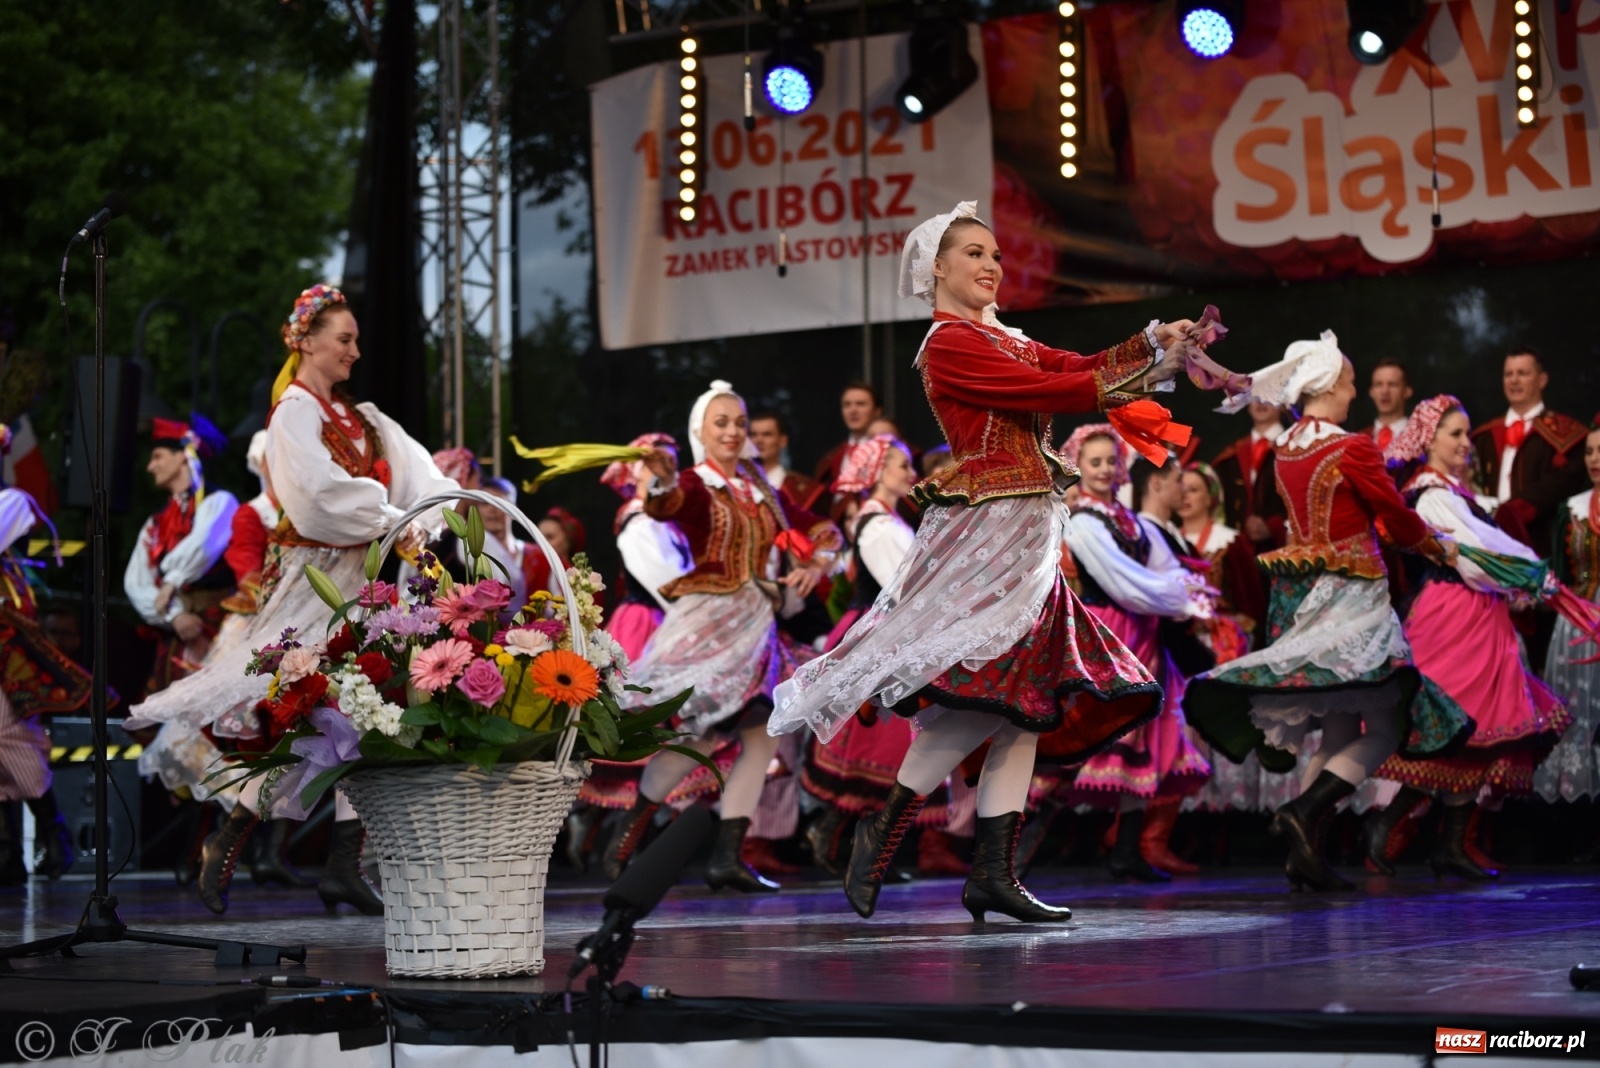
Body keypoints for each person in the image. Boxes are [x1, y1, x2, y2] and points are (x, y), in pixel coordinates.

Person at [769, 200, 1208, 923]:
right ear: (937, 268)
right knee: (989, 691)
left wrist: (1154, 342)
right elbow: (1054, 389)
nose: (991, 265)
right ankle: (883, 831)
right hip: (990, 534)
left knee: (1023, 707)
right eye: (974, 253)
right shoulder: (947, 344)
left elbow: (1076, 366)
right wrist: (1142, 359)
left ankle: (992, 873)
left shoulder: (1006, 337)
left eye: (996, 255)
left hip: (1032, 532)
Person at [124, 284, 461, 915]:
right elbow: (316, 496)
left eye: (356, 339)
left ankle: (332, 858)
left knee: (358, 723)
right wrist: (392, 518)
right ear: (305, 341)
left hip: (367, 588)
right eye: (344, 338)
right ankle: (243, 840)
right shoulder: (293, 414)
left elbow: (421, 473)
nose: (355, 351)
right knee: (326, 718)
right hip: (316, 586)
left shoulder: (364, 419)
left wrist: (428, 514)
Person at [1184, 333, 1472, 893]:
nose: (1354, 392)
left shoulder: (1286, 445)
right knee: (1386, 726)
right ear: (1328, 386)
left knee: (1341, 724)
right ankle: (1304, 812)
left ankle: (1304, 852)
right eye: (1350, 383)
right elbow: (1394, 514)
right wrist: (1440, 546)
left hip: (1304, 595)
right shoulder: (1351, 446)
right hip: (1353, 593)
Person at [597, 380, 843, 893]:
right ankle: (629, 831)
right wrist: (661, 485)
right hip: (712, 621)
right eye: (721, 423)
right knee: (698, 734)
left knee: (761, 734)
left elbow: (816, 527)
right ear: (700, 432)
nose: (732, 432)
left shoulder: (758, 485)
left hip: (757, 624)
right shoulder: (693, 481)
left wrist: (816, 563)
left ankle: (727, 855)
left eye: (738, 423)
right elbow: (669, 508)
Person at [1361, 395, 1569, 880]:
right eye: (1454, 433)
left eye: (1465, 433)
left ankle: (1449, 844)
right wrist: (1529, 574)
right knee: (1454, 725)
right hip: (1455, 615)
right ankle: (1391, 828)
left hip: (1477, 614)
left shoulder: (1451, 490)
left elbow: (1486, 551)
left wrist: (1523, 579)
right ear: (1429, 440)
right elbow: (1475, 555)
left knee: (1473, 729)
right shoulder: (1431, 493)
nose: (1464, 443)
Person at [800, 434, 965, 876]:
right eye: (898, 466)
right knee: (874, 746)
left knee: (887, 748)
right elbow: (902, 588)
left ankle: (862, 849)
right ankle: (837, 838)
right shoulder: (875, 524)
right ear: (875, 472)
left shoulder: (890, 519)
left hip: (894, 636)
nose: (908, 474)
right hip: (879, 636)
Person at [1063, 432, 1212, 881]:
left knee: (1144, 740)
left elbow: (1165, 567)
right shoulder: (1082, 521)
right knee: (1088, 738)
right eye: (1095, 462)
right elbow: (1126, 582)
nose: (1106, 469)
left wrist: (1186, 590)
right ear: (1079, 465)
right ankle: (1018, 848)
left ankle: (1127, 848)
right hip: (1109, 634)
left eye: (1111, 461)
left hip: (1144, 636)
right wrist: (1181, 598)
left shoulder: (1131, 520)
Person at [0, 444, 90, 883]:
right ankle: (9, 852)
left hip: (8, 663)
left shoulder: (10, 504)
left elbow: (16, 511)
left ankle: (53, 834)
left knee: (17, 739)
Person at [1469, 348, 1589, 671]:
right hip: (1490, 556)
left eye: (1523, 373)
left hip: (1540, 551)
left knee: (1538, 652)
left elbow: (1564, 483)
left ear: (1543, 379)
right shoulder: (1481, 437)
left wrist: (1515, 511)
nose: (1514, 380)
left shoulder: (1565, 435)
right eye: (1509, 373)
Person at [123, 417, 239, 698]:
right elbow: (135, 582)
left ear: (183, 456)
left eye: (158, 456)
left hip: (219, 626)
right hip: (179, 633)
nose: (151, 466)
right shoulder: (155, 524)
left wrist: (171, 581)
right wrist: (175, 616)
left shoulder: (219, 502)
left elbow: (204, 545)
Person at [1535, 419, 1600, 809]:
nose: (1595, 459)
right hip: (1576, 621)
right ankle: (1575, 816)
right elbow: (1558, 570)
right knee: (1574, 718)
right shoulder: (1571, 508)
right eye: (1590, 452)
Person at [1211, 400, 1289, 554]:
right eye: (1255, 397)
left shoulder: (1294, 449)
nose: (1261, 402)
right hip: (1238, 553)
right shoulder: (1231, 456)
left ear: (1283, 404)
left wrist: (1274, 527)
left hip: (1280, 553)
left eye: (1268, 396)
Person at [812, 381, 885, 501]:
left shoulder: (892, 452)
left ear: (877, 411)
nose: (853, 410)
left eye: (860, 404)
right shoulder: (830, 459)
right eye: (847, 405)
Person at [749, 412, 823, 511]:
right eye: (753, 435)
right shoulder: (738, 484)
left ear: (783, 441)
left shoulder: (807, 491)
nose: (758, 440)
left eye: (767, 434)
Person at [1360, 358, 1413, 452]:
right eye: (1378, 385)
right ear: (1371, 392)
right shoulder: (1359, 439)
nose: (1385, 391)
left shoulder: (1418, 438)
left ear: (1407, 391)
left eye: (1392, 385)